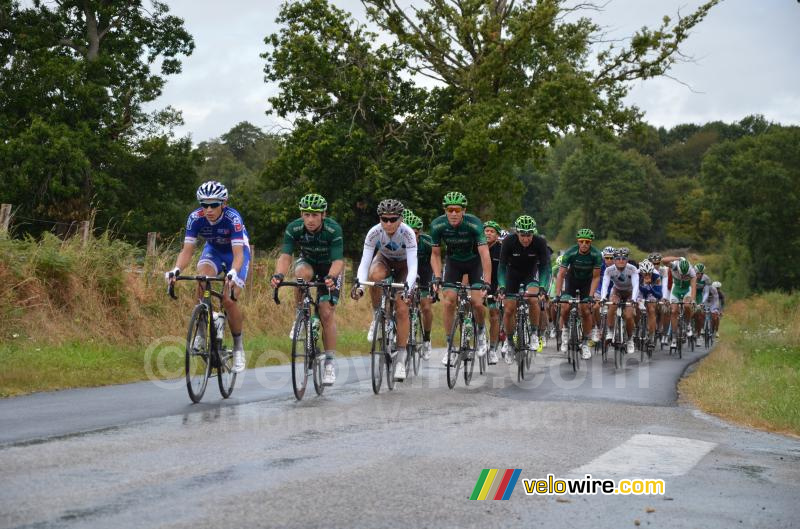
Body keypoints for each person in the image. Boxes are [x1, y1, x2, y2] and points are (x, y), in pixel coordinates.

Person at [165, 181, 250, 373]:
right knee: (201, 278)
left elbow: (238, 255)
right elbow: (187, 251)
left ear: (224, 203)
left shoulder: (233, 218)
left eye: (213, 205)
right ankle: (202, 332)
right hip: (213, 251)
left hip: (236, 254)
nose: (208, 209)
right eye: (204, 205)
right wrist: (176, 269)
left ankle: (238, 348)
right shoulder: (195, 218)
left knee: (228, 300)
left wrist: (233, 272)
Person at [270, 194, 344, 386]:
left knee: (326, 312)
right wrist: (278, 275)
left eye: (315, 215)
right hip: (309, 263)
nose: (310, 220)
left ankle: (329, 364)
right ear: (302, 214)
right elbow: (285, 255)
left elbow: (338, 261)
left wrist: (331, 277)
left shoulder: (332, 229)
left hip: (330, 268)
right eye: (306, 215)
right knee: (301, 275)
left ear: (323, 215)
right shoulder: (294, 228)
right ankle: (300, 316)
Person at [351, 199, 418, 381]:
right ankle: (377, 316)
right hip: (385, 260)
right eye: (384, 219)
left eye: (393, 219)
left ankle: (402, 359)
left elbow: (413, 266)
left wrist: (407, 288)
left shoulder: (408, 233)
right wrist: (360, 285)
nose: (388, 223)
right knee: (375, 277)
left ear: (400, 218)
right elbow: (365, 262)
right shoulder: (374, 232)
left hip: (404, 265)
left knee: (402, 308)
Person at [430, 192, 492, 365]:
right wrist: (436, 276)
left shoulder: (474, 224)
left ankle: (480, 333)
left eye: (457, 210)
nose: (454, 213)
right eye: (450, 209)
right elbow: (435, 254)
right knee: (448, 301)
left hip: (474, 264)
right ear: (445, 210)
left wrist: (487, 281)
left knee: (477, 302)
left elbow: (485, 254)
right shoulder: (437, 225)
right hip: (453, 264)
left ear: (464, 211)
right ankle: (450, 346)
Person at [497, 215, 550, 360]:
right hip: (512, 274)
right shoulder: (508, 241)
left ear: (533, 233)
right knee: (508, 309)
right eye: (522, 235)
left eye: (529, 235)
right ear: (517, 233)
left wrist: (543, 288)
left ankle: (533, 333)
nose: (526, 239)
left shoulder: (540, 242)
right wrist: (501, 286)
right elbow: (501, 267)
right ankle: (508, 340)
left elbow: (545, 268)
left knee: (533, 300)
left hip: (531, 274)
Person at [555, 228, 602, 359]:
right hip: (572, 281)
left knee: (586, 310)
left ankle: (585, 343)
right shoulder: (570, 252)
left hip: (587, 283)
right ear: (578, 241)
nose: (584, 244)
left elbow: (596, 277)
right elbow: (561, 274)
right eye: (582, 241)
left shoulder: (596, 254)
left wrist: (591, 296)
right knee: (565, 307)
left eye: (587, 242)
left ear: (590, 242)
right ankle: (564, 331)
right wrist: (557, 295)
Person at [599, 247, 640, 355]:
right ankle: (610, 331)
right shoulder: (609, 270)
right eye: (618, 258)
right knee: (612, 305)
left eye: (623, 258)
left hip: (630, 292)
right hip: (617, 291)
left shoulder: (633, 269)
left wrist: (634, 299)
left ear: (627, 259)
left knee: (629, 315)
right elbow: (605, 284)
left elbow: (636, 285)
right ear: (614, 260)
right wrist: (603, 297)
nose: (621, 261)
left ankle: (630, 339)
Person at [407, 214, 434, 360]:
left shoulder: (427, 242)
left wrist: (434, 282)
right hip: (408, 270)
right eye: (409, 232)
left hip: (425, 271)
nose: (412, 236)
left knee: (426, 306)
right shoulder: (400, 241)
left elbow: (435, 261)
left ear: (420, 233)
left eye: (415, 233)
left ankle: (427, 339)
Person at [661, 256, 697, 349]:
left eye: (686, 275)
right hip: (676, 289)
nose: (683, 276)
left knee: (687, 306)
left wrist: (692, 300)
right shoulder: (674, 266)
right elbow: (663, 260)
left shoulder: (692, 271)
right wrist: (677, 258)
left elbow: (693, 287)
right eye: (682, 274)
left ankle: (688, 324)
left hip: (686, 290)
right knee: (673, 311)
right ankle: (673, 337)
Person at [483, 220, 503, 364]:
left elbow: (505, 271)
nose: (488, 233)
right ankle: (478, 333)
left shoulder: (501, 249)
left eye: (492, 231)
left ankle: (492, 349)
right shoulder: (477, 246)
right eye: (486, 230)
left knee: (494, 313)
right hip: (479, 283)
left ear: (497, 235)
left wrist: (500, 288)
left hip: (495, 285)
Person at [637, 259, 663, 347]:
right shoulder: (636, 274)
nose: (647, 275)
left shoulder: (656, 276)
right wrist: (643, 285)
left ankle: (651, 336)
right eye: (645, 274)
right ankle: (636, 328)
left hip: (651, 293)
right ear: (641, 272)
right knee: (635, 306)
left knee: (651, 309)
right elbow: (635, 291)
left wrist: (649, 286)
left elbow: (659, 295)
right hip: (640, 292)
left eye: (649, 273)